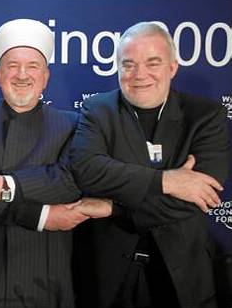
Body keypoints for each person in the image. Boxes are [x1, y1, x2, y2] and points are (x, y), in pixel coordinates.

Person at [0, 19, 111, 308]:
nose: (22, 74)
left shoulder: (72, 124)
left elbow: (69, 183)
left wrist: (3, 185)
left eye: (33, 66)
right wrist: (43, 215)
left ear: (46, 76)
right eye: (12, 66)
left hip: (47, 268)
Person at [70, 21, 230, 308]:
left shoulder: (206, 116)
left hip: (183, 274)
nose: (139, 75)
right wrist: (165, 181)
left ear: (172, 67)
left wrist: (113, 207)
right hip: (106, 274)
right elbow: (87, 171)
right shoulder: (97, 109)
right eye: (128, 64)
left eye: (152, 63)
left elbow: (197, 199)